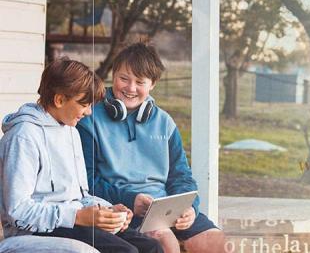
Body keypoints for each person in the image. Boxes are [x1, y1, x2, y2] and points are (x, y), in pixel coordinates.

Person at [0, 59, 163, 253]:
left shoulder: (71, 130)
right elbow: (17, 211)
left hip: (71, 222)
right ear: (59, 100)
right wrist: (77, 216)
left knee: (149, 247)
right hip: (35, 231)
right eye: (83, 104)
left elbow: (80, 196)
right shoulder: (23, 137)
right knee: (125, 251)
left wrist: (107, 210)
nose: (88, 112)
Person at [77, 43, 225, 253]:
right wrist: (130, 199)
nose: (130, 88)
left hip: (165, 208)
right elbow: (85, 181)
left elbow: (181, 176)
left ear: (152, 84)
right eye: (124, 78)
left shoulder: (164, 122)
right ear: (113, 75)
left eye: (140, 82)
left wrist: (190, 208)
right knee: (165, 242)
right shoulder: (89, 118)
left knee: (215, 242)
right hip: (122, 208)